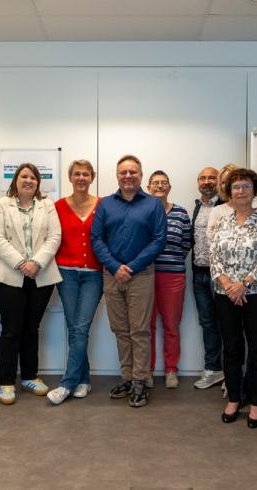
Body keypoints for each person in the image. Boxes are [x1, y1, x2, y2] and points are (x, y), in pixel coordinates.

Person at [91, 154, 166, 408]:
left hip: (141, 275)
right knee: (120, 330)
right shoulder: (105, 205)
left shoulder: (153, 205)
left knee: (140, 331)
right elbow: (96, 239)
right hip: (112, 276)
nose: (128, 176)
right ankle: (127, 376)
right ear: (117, 175)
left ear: (141, 175)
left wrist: (131, 267)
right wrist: (114, 267)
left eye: (133, 171)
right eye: (123, 172)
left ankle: (139, 381)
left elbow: (158, 240)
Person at [0, 163, 62, 405]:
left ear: (38, 182)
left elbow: (55, 237)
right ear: (15, 180)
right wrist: (22, 263)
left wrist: (36, 263)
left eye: (33, 177)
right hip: (9, 275)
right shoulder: (2, 204)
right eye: (23, 176)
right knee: (11, 329)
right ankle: (6, 382)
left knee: (32, 328)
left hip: (41, 276)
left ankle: (30, 376)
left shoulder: (47, 205)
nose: (28, 180)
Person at [210, 168, 257, 428]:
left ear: (254, 190)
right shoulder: (223, 220)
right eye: (236, 187)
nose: (240, 191)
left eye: (246, 186)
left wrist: (244, 284)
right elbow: (214, 255)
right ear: (229, 191)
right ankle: (235, 398)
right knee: (232, 348)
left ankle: (256, 403)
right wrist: (228, 284)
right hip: (225, 294)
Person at [47, 160, 103, 405]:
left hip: (94, 274)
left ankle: (67, 383)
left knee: (80, 328)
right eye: (77, 174)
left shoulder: (102, 205)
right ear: (70, 177)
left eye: (85, 174)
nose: (81, 177)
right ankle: (84, 379)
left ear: (92, 177)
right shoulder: (57, 206)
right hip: (66, 274)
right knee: (75, 328)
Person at [146, 170, 191, 388]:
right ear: (148, 187)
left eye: (164, 183)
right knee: (147, 326)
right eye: (155, 183)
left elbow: (186, 243)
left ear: (169, 187)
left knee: (171, 325)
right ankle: (147, 370)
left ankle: (171, 370)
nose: (160, 186)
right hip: (145, 276)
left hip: (173, 277)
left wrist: (171, 260)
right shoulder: (142, 211)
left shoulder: (181, 213)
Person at [191, 166, 226, 390]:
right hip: (199, 274)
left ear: (219, 181)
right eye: (202, 177)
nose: (207, 181)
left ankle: (232, 374)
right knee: (207, 324)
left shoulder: (226, 206)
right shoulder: (196, 208)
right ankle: (214, 370)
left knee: (228, 323)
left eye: (211, 177)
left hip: (221, 275)